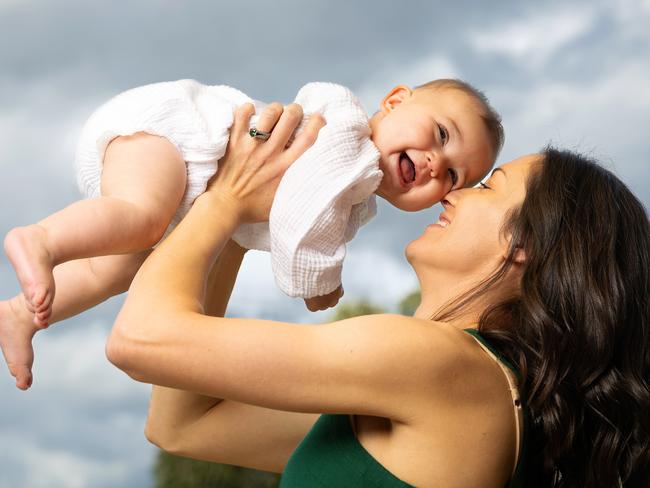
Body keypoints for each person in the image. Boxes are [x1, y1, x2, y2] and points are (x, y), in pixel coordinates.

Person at [106, 104, 649, 487]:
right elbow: (182, 426)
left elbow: (140, 340)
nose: (453, 189)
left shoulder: (436, 363)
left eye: (486, 185)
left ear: (525, 243)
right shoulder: (457, 392)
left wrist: (223, 200)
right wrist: (247, 224)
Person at [0, 78, 502, 390]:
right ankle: (41, 239)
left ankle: (21, 314)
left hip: (185, 188)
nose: (437, 163)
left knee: (119, 267)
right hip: (177, 140)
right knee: (142, 215)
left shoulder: (361, 188)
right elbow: (302, 216)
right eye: (440, 135)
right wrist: (318, 279)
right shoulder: (349, 143)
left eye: (454, 176)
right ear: (394, 101)